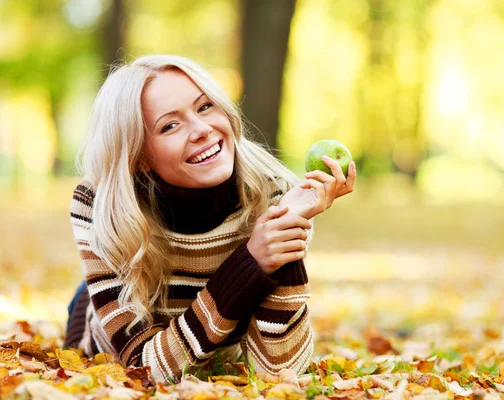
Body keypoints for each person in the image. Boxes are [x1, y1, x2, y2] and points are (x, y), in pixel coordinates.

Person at [65, 54, 356, 384]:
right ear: (140, 156)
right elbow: (144, 370)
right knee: (96, 301)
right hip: (109, 323)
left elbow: (279, 372)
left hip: (207, 342)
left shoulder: (269, 190)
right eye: (170, 125)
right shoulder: (100, 203)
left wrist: (285, 224)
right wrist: (249, 262)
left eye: (205, 107)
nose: (202, 129)